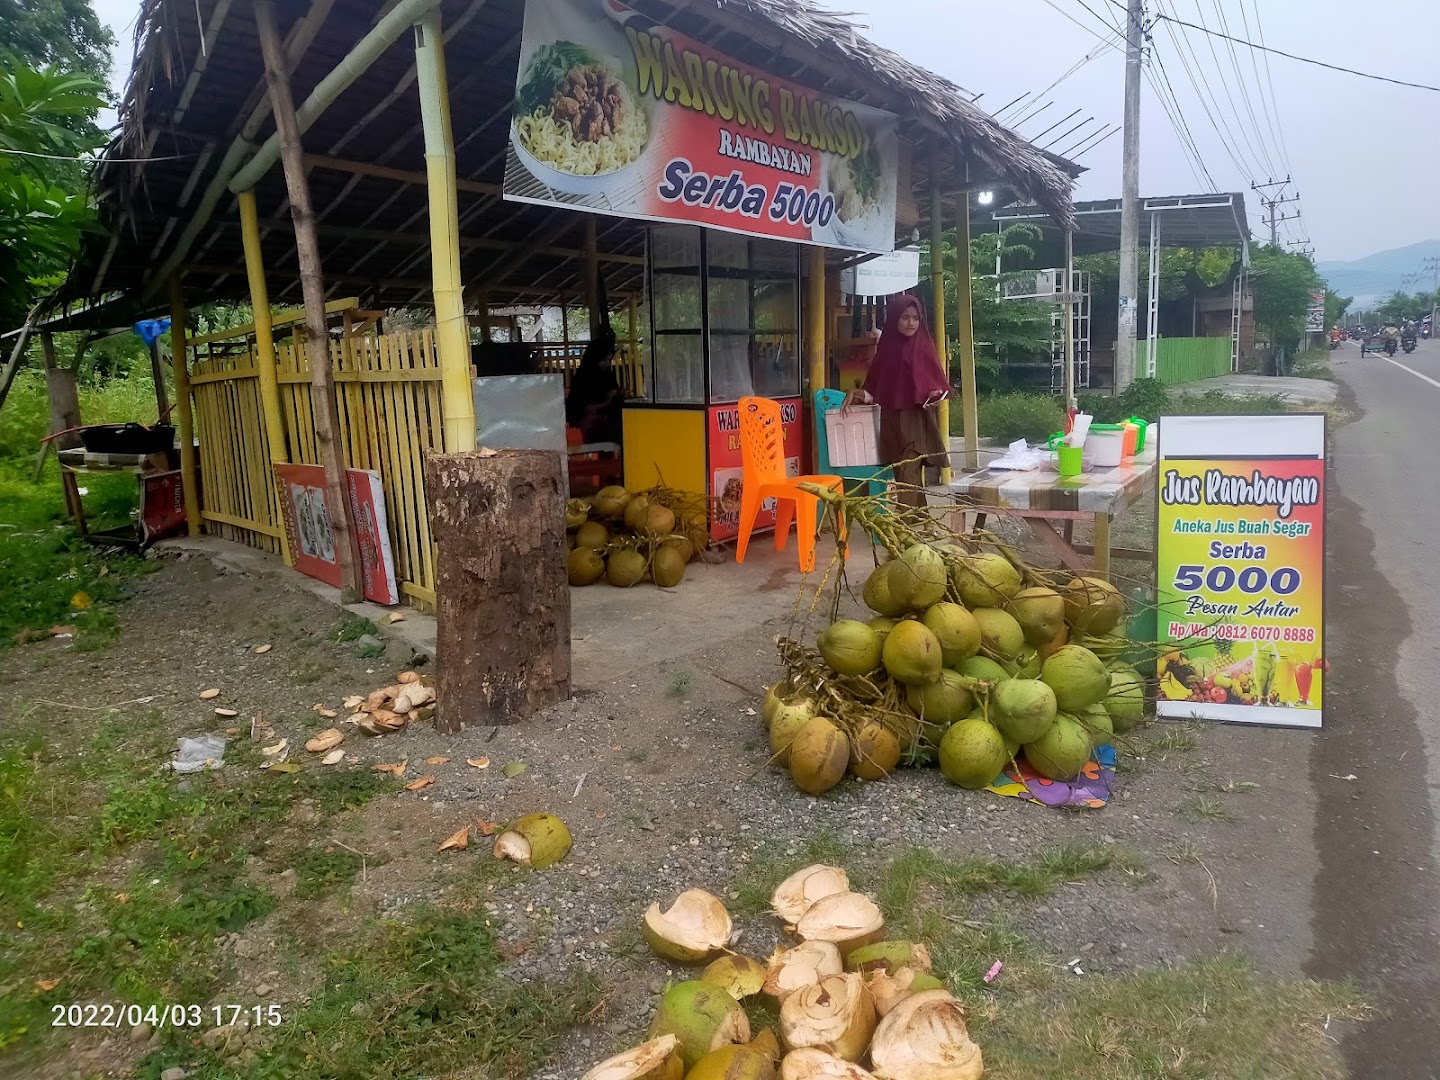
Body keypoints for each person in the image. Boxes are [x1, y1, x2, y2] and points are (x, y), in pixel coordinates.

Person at [842, 294, 950, 508]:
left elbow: (935, 384)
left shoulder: (923, 346)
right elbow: (877, 387)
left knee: (909, 469)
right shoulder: (887, 349)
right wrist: (856, 393)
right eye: (905, 317)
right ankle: (920, 519)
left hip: (915, 418)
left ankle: (905, 525)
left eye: (915, 318)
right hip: (891, 418)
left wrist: (934, 395)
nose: (911, 323)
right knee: (902, 471)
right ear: (893, 319)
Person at [565, 326, 624, 444]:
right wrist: (606, 401)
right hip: (590, 426)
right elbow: (582, 409)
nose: (607, 364)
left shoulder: (607, 376)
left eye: (609, 360)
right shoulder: (582, 380)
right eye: (604, 360)